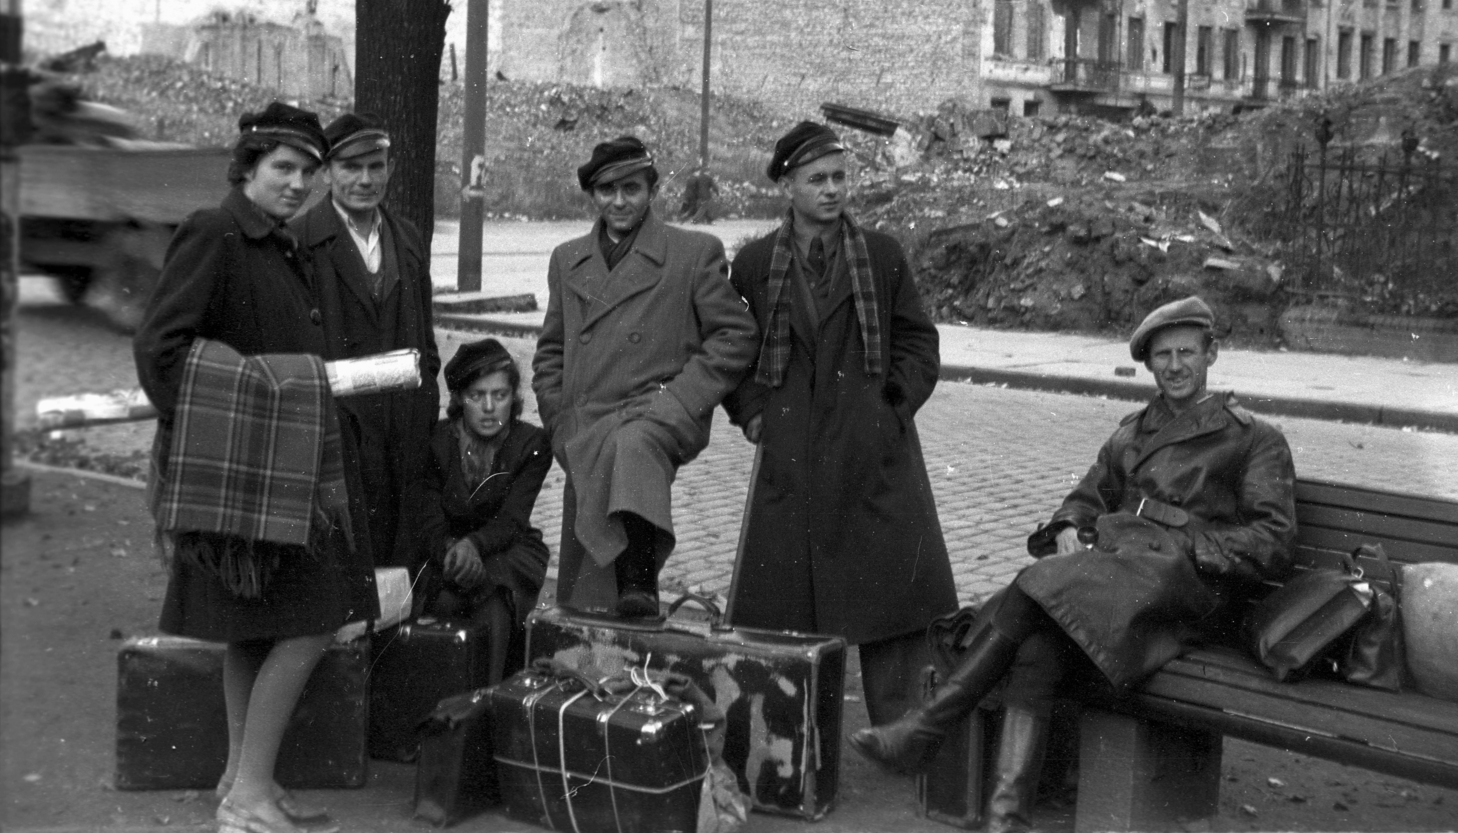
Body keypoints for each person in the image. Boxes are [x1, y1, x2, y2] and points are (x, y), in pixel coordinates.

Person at [851, 296, 1297, 833]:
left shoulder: (1251, 437)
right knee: (1036, 648)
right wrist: (1066, 529)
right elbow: (1083, 500)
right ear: (1149, 363)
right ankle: (1005, 818)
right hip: (1115, 591)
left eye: (1186, 352)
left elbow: (1272, 542)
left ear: (1212, 354)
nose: (1175, 366)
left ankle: (926, 726)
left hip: (1190, 600)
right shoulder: (1132, 434)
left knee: (1038, 590)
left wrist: (1180, 545)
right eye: (1162, 356)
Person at [134, 102, 379, 833]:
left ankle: (243, 784)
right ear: (248, 169)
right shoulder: (216, 232)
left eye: (309, 171)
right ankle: (249, 794)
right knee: (312, 622)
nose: (299, 183)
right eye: (284, 169)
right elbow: (159, 350)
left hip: (278, 474)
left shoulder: (278, 246)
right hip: (241, 474)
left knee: (254, 628)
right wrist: (227, 430)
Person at [722, 121, 958, 726]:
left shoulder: (881, 257)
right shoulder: (752, 265)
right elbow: (732, 350)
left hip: (871, 452)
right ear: (788, 188)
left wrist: (891, 408)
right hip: (791, 457)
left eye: (840, 177)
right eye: (817, 179)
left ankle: (900, 733)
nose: (832, 190)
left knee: (893, 604)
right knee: (785, 614)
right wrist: (752, 413)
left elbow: (917, 341)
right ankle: (792, 741)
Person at [532, 136, 759, 617]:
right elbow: (551, 349)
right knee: (586, 593)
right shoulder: (567, 259)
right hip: (586, 420)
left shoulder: (692, 252)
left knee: (632, 446)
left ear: (651, 191)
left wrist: (678, 401)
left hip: (658, 411)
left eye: (631, 188)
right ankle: (599, 658)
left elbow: (735, 335)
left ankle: (640, 583)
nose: (619, 201)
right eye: (607, 190)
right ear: (592, 195)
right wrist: (557, 420)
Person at [291, 112, 441, 567]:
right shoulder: (299, 241)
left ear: (390, 170)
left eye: (376, 167)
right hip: (341, 432)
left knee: (397, 562)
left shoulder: (407, 239)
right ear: (327, 173)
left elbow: (425, 340)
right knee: (343, 561)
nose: (364, 179)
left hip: (402, 430)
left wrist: (423, 402)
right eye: (350, 168)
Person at [412, 339, 553, 683]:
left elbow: (512, 520)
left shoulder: (530, 444)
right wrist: (453, 552)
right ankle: (448, 712)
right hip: (447, 551)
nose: (489, 407)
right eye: (477, 396)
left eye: (500, 395)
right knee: (444, 605)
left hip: (507, 550)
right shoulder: (437, 442)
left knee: (495, 602)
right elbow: (428, 519)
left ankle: (491, 703)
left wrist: (474, 547)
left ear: (513, 397)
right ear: (460, 398)